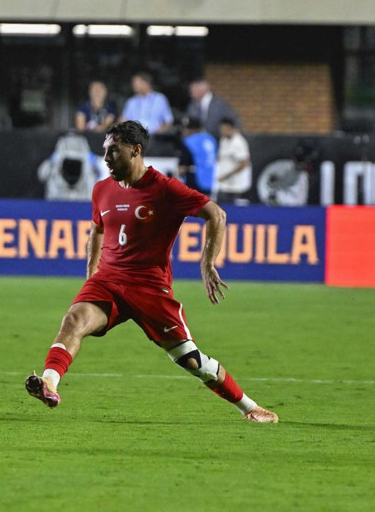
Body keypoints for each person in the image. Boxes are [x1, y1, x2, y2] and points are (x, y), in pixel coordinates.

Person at [25, 120, 278, 424]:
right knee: (73, 320)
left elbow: (216, 215)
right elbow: (97, 231)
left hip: (149, 288)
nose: (106, 158)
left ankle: (250, 407)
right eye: (105, 150)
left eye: (113, 151)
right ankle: (50, 382)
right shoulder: (102, 189)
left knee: (190, 360)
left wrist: (207, 262)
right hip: (108, 282)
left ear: (136, 150)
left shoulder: (165, 188)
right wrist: (92, 275)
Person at [37, 132, 100, 201]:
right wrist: (51, 161)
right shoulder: (56, 158)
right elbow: (42, 174)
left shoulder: (88, 159)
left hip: (83, 198)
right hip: (58, 199)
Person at [179, 116, 218, 197]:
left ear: (191, 129)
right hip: (209, 182)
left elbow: (182, 167)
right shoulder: (211, 139)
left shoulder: (189, 142)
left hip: (194, 181)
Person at [216, 118, 252, 204]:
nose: (222, 131)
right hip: (224, 184)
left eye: (224, 129)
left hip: (236, 185)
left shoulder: (238, 142)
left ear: (230, 128)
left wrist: (227, 175)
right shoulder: (224, 140)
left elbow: (244, 163)